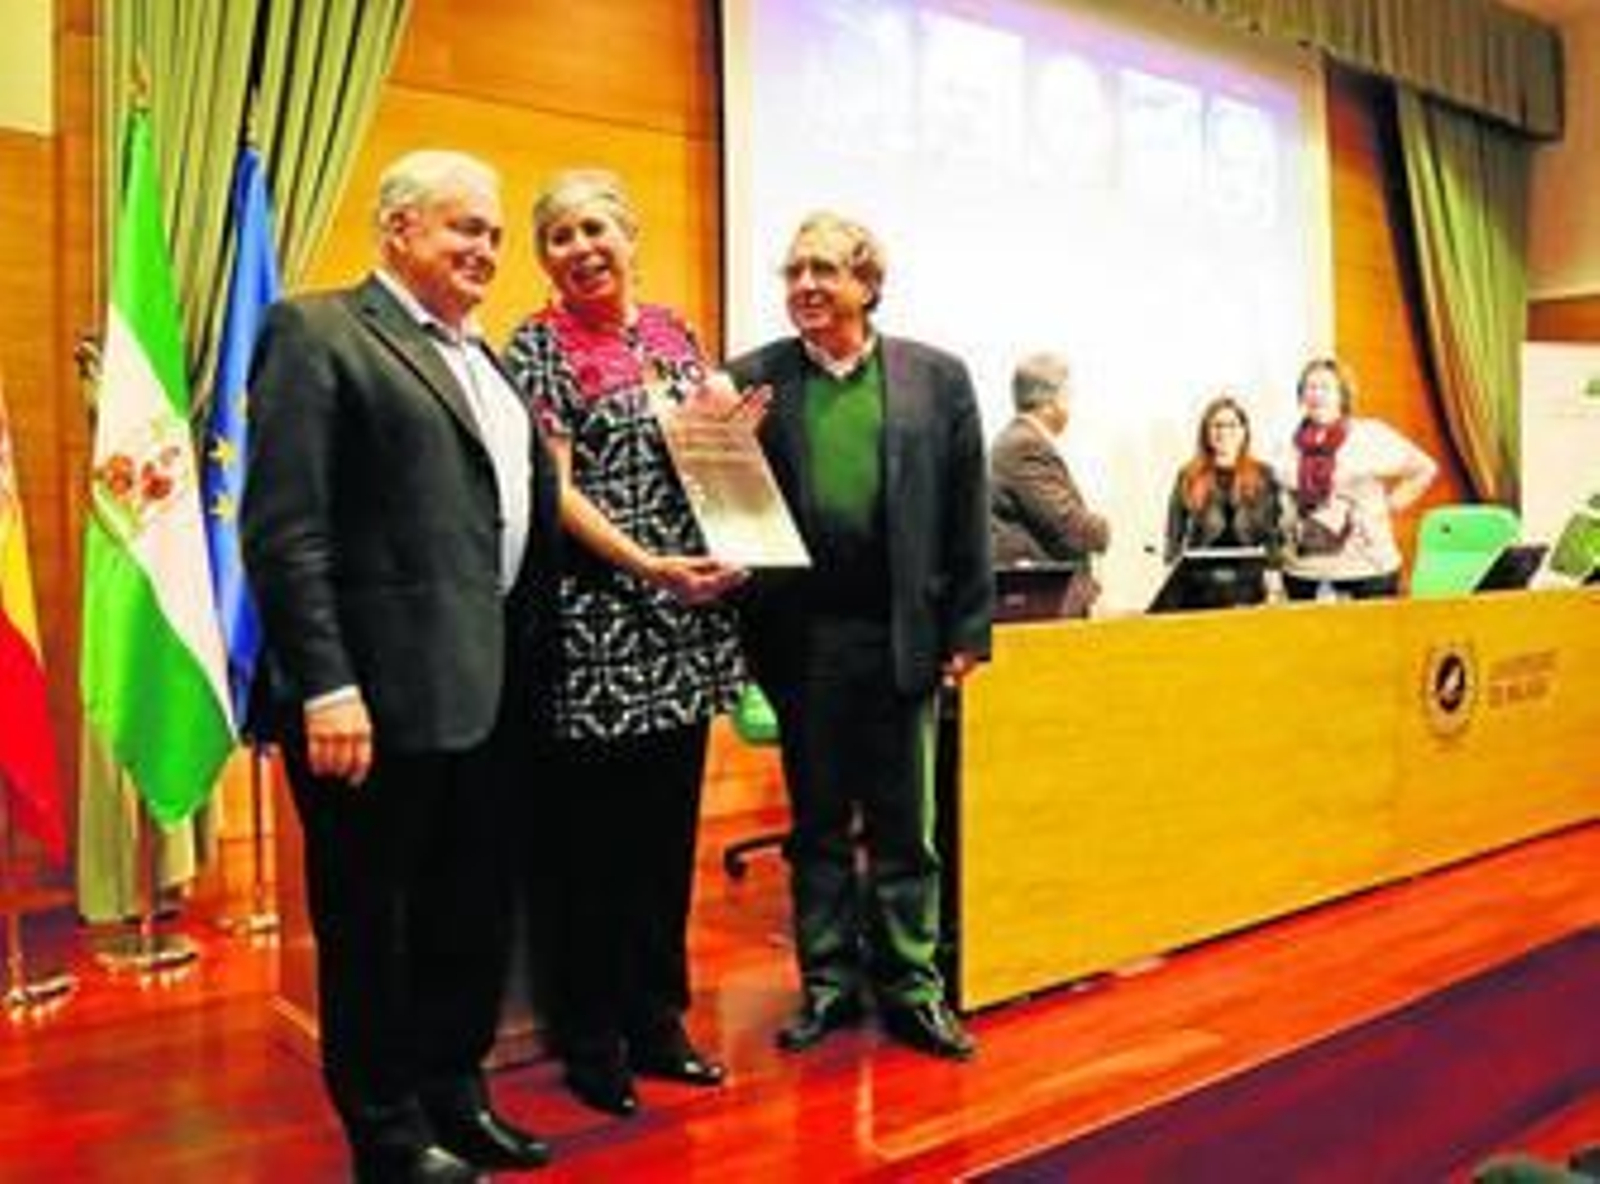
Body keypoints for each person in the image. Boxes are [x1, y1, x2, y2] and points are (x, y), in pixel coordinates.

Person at [242, 151, 558, 1182]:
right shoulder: (316, 330)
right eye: (463, 227)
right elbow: (286, 533)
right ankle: (385, 1131)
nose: (485, 250)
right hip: (370, 702)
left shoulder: (489, 360)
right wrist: (327, 683)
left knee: (470, 911)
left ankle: (456, 1097)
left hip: (492, 689)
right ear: (395, 230)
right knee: (373, 924)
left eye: (495, 234)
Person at [502, 169, 746, 1119]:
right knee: (590, 853)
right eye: (558, 237)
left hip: (686, 629)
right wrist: (650, 566)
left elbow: (715, 459)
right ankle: (592, 1040)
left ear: (632, 234)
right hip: (596, 631)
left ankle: (659, 1022)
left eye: (595, 228)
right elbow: (552, 493)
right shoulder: (536, 348)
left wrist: (738, 474)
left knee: (663, 844)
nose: (580, 249)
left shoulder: (678, 335)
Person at [728, 212, 992, 1062]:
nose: (805, 285)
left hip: (902, 636)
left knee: (906, 826)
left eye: (824, 271)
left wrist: (968, 629)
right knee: (816, 827)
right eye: (794, 270)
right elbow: (723, 498)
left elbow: (965, 511)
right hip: (802, 641)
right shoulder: (749, 381)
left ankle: (913, 987)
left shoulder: (937, 378)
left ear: (867, 284)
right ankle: (831, 985)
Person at [1280, 356, 1438, 600]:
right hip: (1303, 573)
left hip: (1367, 570)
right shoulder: (1286, 443)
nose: (1316, 394)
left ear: (1343, 394)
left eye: (1325, 387)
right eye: (1309, 387)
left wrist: (1387, 506)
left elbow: (1424, 469)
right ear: (1301, 396)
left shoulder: (1370, 435)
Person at [989, 352, 1110, 618]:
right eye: (1068, 396)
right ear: (1050, 401)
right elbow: (1069, 526)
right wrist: (1105, 529)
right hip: (1039, 605)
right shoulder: (1024, 446)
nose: (1071, 407)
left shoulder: (1020, 441)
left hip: (1044, 603)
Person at [1162, 394, 1285, 609]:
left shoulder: (1264, 474)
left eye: (1232, 425)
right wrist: (1170, 575)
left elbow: (1272, 533)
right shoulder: (1188, 475)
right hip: (1200, 581)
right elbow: (1174, 532)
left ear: (1244, 431)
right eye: (1217, 425)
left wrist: (1274, 583)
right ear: (1206, 432)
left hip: (1247, 580)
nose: (1224, 432)